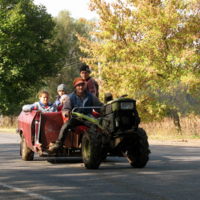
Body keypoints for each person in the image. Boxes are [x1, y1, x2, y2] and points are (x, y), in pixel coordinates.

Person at [49, 77, 103, 152]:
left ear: (84, 86)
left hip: (88, 118)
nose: (80, 87)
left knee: (95, 125)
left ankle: (94, 145)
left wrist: (104, 110)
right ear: (75, 87)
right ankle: (59, 143)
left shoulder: (90, 96)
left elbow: (99, 106)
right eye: (78, 85)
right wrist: (67, 112)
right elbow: (65, 109)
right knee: (66, 125)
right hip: (75, 118)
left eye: (82, 85)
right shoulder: (70, 97)